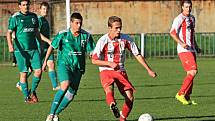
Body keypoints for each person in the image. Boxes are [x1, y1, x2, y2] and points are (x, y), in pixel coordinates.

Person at [91, 16, 156, 121]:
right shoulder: (102, 41)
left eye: (120, 27)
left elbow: (137, 54)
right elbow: (94, 60)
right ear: (109, 28)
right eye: (116, 28)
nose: (119, 30)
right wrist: (109, 63)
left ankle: (122, 117)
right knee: (109, 90)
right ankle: (112, 104)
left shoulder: (126, 39)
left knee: (130, 97)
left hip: (120, 70)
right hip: (106, 70)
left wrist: (148, 69)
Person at [43, 12, 95, 121]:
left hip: (78, 68)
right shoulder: (63, 34)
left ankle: (56, 114)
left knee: (71, 95)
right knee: (65, 85)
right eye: (76, 23)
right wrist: (45, 61)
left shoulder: (86, 36)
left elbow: (92, 51)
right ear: (71, 23)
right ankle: (50, 115)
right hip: (64, 65)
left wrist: (94, 56)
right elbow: (52, 47)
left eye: (80, 23)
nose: (79, 26)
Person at [6, 0, 50, 103]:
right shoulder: (15, 18)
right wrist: (10, 45)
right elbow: (9, 33)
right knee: (24, 73)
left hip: (33, 49)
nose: (26, 7)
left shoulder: (33, 16)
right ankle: (27, 97)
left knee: (38, 71)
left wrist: (41, 44)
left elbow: (36, 32)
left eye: (27, 5)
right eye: (24, 5)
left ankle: (33, 91)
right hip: (21, 50)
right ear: (19, 6)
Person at [16, 2, 60, 91]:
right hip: (39, 47)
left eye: (47, 9)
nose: (45, 11)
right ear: (40, 10)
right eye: (43, 9)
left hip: (47, 47)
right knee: (33, 68)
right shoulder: (39, 19)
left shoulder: (45, 20)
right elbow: (38, 33)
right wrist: (48, 41)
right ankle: (20, 83)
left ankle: (55, 86)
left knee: (51, 64)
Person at [170, 0, 201, 105]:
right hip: (184, 50)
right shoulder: (179, 19)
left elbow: (192, 34)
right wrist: (181, 43)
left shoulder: (192, 18)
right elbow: (172, 33)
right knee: (193, 71)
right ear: (182, 7)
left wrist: (196, 46)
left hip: (191, 49)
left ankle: (187, 97)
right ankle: (180, 94)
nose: (188, 9)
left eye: (190, 7)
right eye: (186, 7)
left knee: (190, 73)